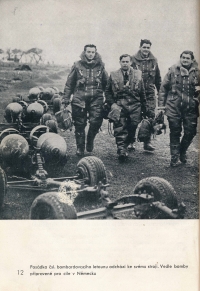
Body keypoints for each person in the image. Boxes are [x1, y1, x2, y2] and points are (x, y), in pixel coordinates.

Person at [62, 44, 108, 156]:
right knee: (79, 124)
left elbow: (106, 84)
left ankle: (90, 139)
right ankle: (80, 148)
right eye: (88, 52)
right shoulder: (77, 65)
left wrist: (108, 99)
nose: (91, 54)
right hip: (79, 99)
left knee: (96, 121)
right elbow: (70, 84)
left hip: (96, 99)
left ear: (96, 52)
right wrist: (66, 99)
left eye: (93, 52)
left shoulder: (101, 66)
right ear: (84, 52)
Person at [158, 50, 200, 167]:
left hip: (190, 108)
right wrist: (161, 105)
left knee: (190, 132)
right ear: (180, 58)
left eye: (187, 58)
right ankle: (174, 157)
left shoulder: (197, 73)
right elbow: (163, 88)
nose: (185, 60)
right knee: (175, 131)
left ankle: (182, 151)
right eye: (183, 58)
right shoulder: (172, 70)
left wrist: (197, 100)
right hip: (173, 107)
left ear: (192, 60)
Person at [105, 54, 147, 161]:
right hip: (120, 105)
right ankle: (121, 150)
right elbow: (108, 91)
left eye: (127, 61)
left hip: (135, 105)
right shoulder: (114, 75)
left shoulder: (138, 74)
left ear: (130, 62)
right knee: (119, 127)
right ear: (120, 62)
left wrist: (144, 107)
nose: (125, 64)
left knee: (133, 125)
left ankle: (129, 141)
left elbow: (142, 92)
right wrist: (112, 104)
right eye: (123, 61)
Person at [131, 39, 162, 151]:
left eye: (148, 47)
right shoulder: (132, 60)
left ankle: (147, 142)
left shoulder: (154, 61)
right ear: (140, 47)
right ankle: (131, 141)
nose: (146, 49)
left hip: (149, 93)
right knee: (134, 117)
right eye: (144, 47)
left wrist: (160, 92)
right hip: (136, 93)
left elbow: (158, 78)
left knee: (150, 117)